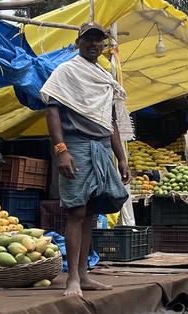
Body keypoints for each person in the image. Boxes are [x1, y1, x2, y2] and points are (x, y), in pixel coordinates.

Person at [42, 23, 131, 297]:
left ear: (104, 46)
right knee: (76, 212)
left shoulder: (103, 77)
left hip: (102, 148)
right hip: (77, 146)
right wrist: (61, 150)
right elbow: (52, 110)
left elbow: (110, 121)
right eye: (89, 39)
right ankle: (72, 280)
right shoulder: (67, 71)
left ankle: (84, 275)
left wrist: (122, 158)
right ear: (78, 42)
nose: (94, 44)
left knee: (92, 212)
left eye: (99, 41)